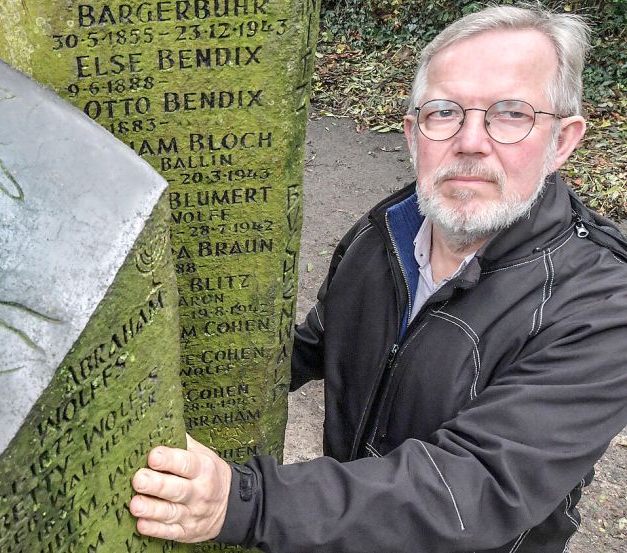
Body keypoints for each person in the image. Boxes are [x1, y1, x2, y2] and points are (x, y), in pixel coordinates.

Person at [129, 4, 627, 552]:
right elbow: (325, 339)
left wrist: (248, 502)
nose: (470, 140)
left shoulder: (602, 306)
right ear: (414, 133)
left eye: (511, 114)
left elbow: (477, 484)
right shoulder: (386, 233)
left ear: (562, 140)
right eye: (444, 111)